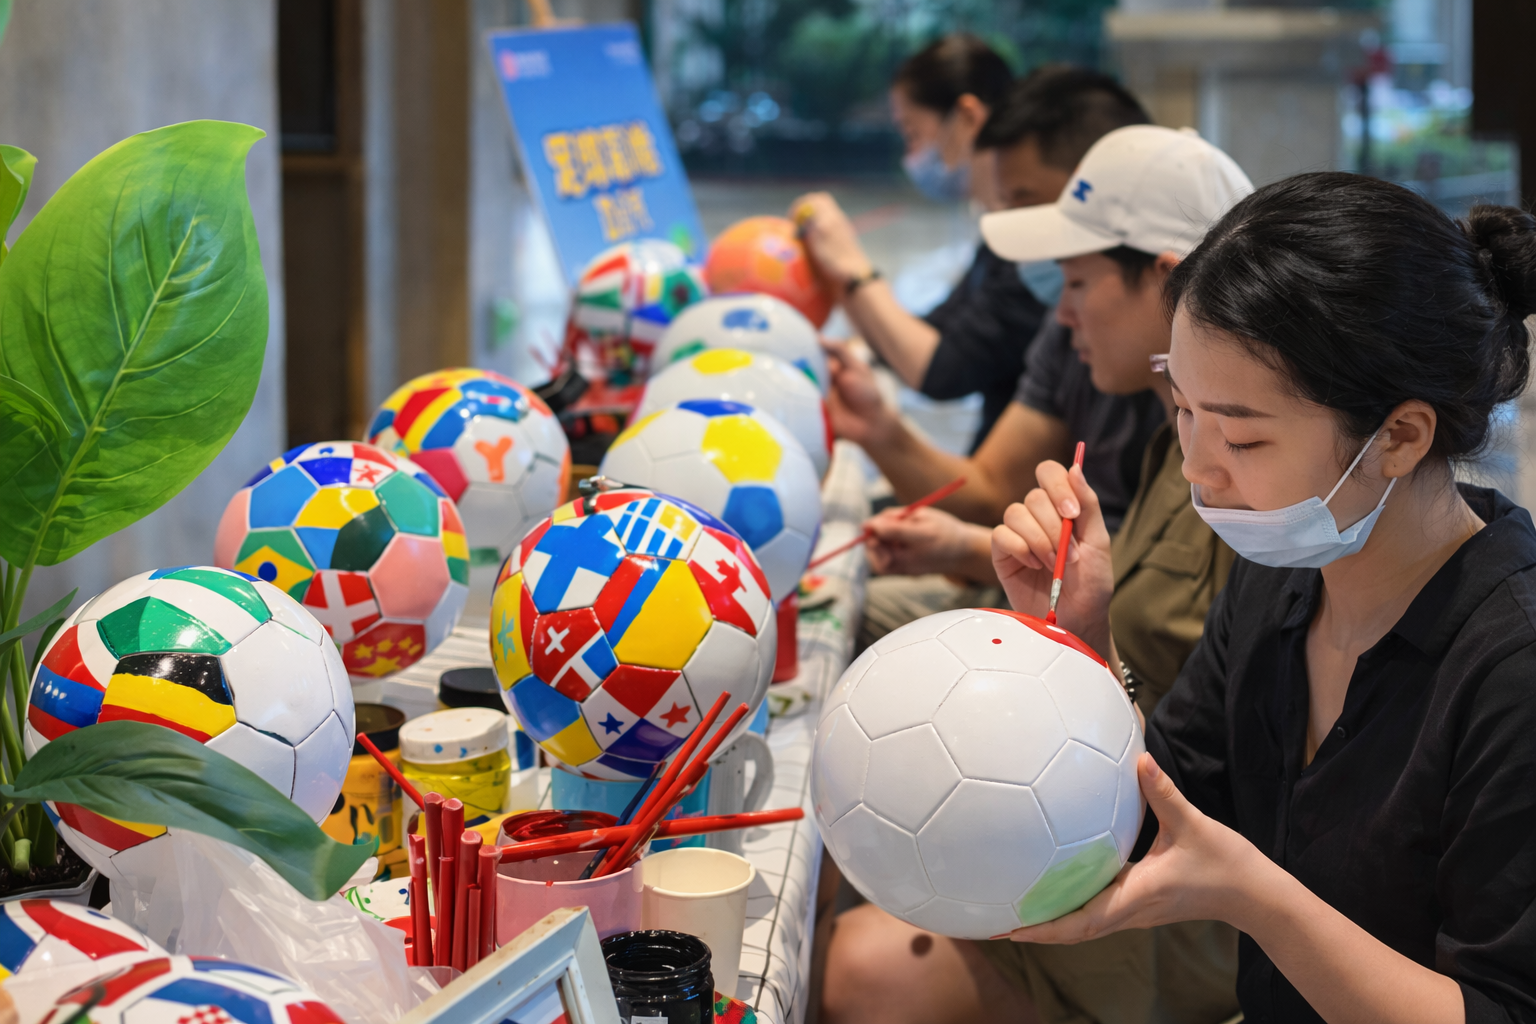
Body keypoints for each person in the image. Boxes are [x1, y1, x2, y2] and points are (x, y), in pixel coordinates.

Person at [993, 175, 1536, 1023]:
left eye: (1243, 435)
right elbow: (1166, 804)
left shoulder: (1510, 670)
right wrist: (1082, 642)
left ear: (1399, 436)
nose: (1199, 471)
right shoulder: (1280, 581)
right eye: (1185, 414)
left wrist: (1255, 898)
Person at [820, 126, 1252, 1024]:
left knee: (866, 961)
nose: (1059, 311)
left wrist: (1083, 650)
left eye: (1080, 280)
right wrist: (1075, 632)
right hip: (1119, 815)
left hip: (1179, 888)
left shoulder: (1249, 491)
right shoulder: (1183, 443)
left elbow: (1214, 773)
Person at [794, 57, 1151, 449]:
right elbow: (938, 331)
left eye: (912, 134)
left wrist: (852, 268)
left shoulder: (1049, 287)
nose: (1065, 309)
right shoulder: (1020, 264)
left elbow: (944, 369)